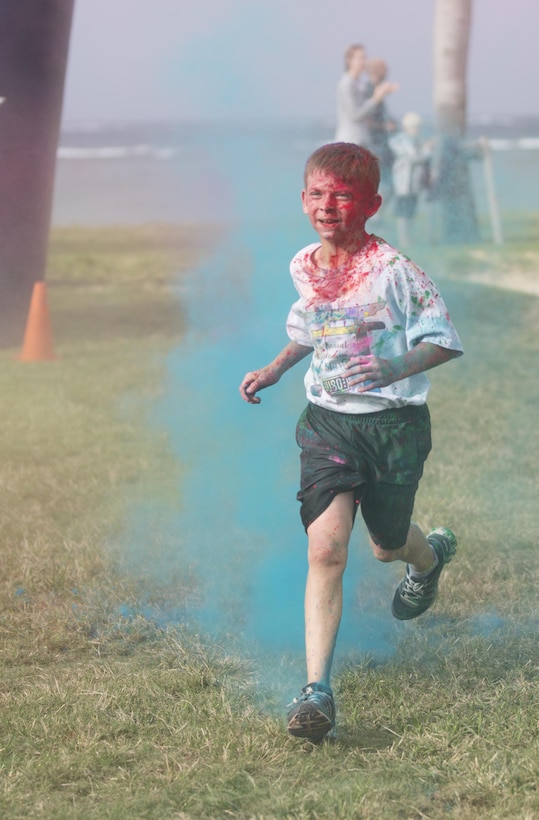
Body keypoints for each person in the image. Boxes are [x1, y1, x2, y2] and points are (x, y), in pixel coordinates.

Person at [239, 142, 463, 743]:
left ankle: (429, 557)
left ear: (372, 203)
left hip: (393, 426)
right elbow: (311, 327)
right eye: (316, 193)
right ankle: (316, 691)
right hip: (329, 423)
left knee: (388, 548)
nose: (327, 206)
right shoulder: (304, 264)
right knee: (327, 551)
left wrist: (394, 368)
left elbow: (443, 339)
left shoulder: (394, 270)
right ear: (303, 199)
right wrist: (276, 368)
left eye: (342, 195)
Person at [335, 44, 398, 147]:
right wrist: (376, 98)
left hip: (362, 140)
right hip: (349, 142)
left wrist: (383, 93)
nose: (364, 62)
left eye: (365, 58)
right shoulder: (346, 84)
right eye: (361, 58)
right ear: (349, 60)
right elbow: (355, 115)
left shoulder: (359, 83)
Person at [389, 111, 433, 246]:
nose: (417, 130)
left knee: (411, 212)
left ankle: (408, 239)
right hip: (403, 183)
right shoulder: (400, 140)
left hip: (413, 183)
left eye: (418, 127)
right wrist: (427, 149)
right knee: (403, 212)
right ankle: (404, 240)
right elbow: (415, 157)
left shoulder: (416, 140)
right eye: (414, 127)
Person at [366, 58, 398, 206]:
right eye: (383, 70)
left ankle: (376, 215)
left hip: (382, 143)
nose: (386, 74)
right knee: (387, 184)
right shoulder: (370, 90)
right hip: (376, 144)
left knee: (390, 183)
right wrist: (385, 126)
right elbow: (365, 120)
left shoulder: (376, 90)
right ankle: (375, 216)